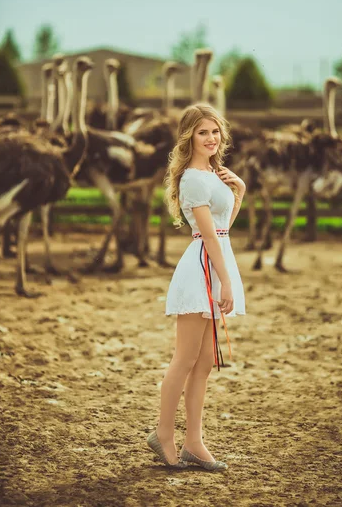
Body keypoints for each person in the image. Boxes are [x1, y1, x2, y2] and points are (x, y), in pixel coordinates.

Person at [147, 103, 246, 471]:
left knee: (205, 360)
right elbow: (207, 235)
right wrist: (226, 283)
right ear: (189, 136)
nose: (211, 138)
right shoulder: (191, 178)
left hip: (216, 261)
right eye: (203, 132)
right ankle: (163, 434)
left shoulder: (214, 174)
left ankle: (194, 442)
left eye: (215, 131)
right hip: (201, 269)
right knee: (185, 358)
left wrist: (240, 191)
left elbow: (223, 227)